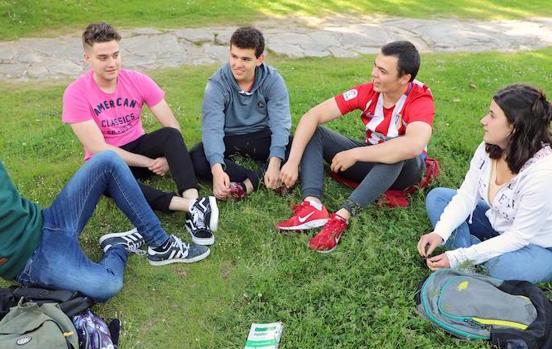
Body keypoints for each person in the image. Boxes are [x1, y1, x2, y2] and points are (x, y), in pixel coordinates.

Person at [0, 80, 210, 304]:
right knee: (107, 285)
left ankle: (159, 244)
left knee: (107, 160)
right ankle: (118, 246)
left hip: (46, 221)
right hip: (31, 260)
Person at [63, 22, 218, 246]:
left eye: (115, 55)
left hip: (137, 145)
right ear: (88, 59)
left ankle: (194, 206)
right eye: (103, 58)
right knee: (103, 180)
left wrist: (166, 159)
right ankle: (188, 206)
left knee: (170, 136)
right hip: (108, 161)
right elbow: (98, 148)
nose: (112, 63)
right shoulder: (76, 93)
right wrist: (148, 162)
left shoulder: (137, 80)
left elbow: (172, 126)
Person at [277, 40, 435, 253]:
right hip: (372, 160)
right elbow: (312, 115)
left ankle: (341, 217)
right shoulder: (369, 92)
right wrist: (293, 162)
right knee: (316, 131)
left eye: (382, 71)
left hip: (405, 170)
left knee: (396, 147)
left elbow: (413, 145)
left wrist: (356, 153)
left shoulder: (420, 98)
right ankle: (312, 206)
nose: (374, 74)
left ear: (404, 78)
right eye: (375, 66)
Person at [418, 84, 552, 282]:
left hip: (537, 245)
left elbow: (519, 236)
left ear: (514, 127)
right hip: (498, 223)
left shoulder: (542, 173)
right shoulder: (489, 147)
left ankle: (469, 255)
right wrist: (441, 231)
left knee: (502, 267)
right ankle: (471, 256)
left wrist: (458, 257)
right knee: (438, 197)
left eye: (492, 115)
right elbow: (466, 196)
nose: (483, 121)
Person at [189, 26, 292, 200]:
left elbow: (280, 124)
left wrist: (274, 162)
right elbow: (212, 130)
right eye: (234, 56)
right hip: (229, 137)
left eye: (245, 59)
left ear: (259, 59)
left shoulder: (273, 80)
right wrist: (217, 170)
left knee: (297, 147)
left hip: (261, 135)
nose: (237, 64)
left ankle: (246, 186)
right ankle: (263, 178)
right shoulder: (216, 84)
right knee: (196, 157)